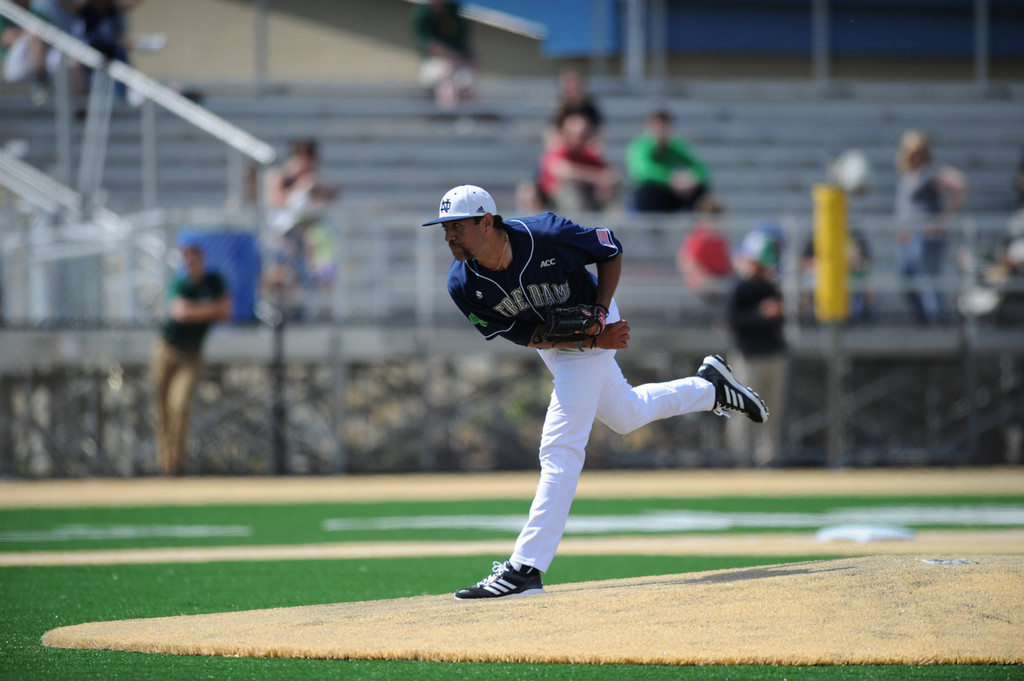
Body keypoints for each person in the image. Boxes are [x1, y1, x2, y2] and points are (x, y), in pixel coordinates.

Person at [423, 185, 769, 599]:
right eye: (445, 228)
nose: (449, 236)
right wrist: (589, 343)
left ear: (487, 221)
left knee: (559, 446)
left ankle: (525, 568)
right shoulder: (462, 283)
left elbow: (610, 249)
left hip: (595, 318)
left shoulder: (545, 235)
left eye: (457, 226)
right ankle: (710, 388)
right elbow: (521, 333)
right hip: (565, 340)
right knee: (626, 414)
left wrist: (601, 317)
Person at [151, 242, 231, 476]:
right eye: (187, 261)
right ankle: (165, 465)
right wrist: (209, 309)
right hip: (166, 350)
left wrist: (197, 310)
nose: (191, 265)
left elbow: (225, 311)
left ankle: (177, 465)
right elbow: (180, 312)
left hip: (191, 353)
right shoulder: (179, 283)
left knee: (180, 404)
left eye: (194, 260)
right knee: (162, 407)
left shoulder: (213, 282)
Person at [723, 230, 788, 467]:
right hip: (749, 356)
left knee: (772, 409)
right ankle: (740, 458)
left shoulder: (770, 287)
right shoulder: (740, 288)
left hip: (773, 353)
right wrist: (760, 314)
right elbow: (731, 319)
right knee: (743, 408)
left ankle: (769, 458)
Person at [893, 129, 968, 325]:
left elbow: (959, 184)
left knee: (928, 281)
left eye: (919, 152)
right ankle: (925, 321)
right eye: (911, 152)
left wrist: (942, 220)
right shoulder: (908, 175)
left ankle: (937, 323)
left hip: (926, 238)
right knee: (905, 278)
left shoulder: (931, 172)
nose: (915, 156)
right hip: (908, 239)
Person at [262, 138, 340, 320]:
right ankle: (271, 309)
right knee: (279, 272)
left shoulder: (315, 178)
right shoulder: (280, 175)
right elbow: (276, 202)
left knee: (316, 270)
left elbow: (324, 203)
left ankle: (317, 310)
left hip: (306, 234)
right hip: (281, 234)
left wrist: (321, 191)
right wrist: (301, 187)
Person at [626, 109, 719, 213]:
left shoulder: (676, 146)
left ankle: (701, 225)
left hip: (673, 193)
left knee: (701, 190)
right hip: (652, 194)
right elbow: (643, 172)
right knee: (648, 190)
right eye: (657, 126)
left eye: (664, 126)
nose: (660, 131)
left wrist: (692, 179)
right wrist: (671, 179)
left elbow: (702, 169)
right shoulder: (640, 146)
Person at [537, 112, 619, 214]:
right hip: (553, 198)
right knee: (569, 186)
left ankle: (614, 224)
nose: (579, 137)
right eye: (575, 133)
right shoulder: (558, 148)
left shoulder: (588, 152)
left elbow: (608, 174)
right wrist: (597, 179)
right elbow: (562, 171)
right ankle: (576, 222)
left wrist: (606, 181)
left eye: (583, 133)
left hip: (587, 195)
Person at [410, 0, 476, 111]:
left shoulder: (453, 10)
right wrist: (459, 59)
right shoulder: (422, 14)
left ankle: (469, 119)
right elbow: (432, 46)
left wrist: (472, 60)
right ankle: (447, 114)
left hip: (459, 63)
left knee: (467, 82)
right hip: (433, 64)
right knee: (446, 74)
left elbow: (466, 39)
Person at [675, 209, 732, 306]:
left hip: (719, 278)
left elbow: (727, 263)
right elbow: (688, 261)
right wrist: (707, 280)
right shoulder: (701, 237)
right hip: (703, 283)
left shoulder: (720, 238)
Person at [1, 0, 53, 104]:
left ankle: (41, 81)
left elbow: (49, 39)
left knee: (68, 60)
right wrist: (28, 33)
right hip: (12, 64)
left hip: (37, 60)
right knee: (34, 34)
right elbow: (7, 37)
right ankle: (41, 82)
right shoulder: (4, 10)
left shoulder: (35, 11)